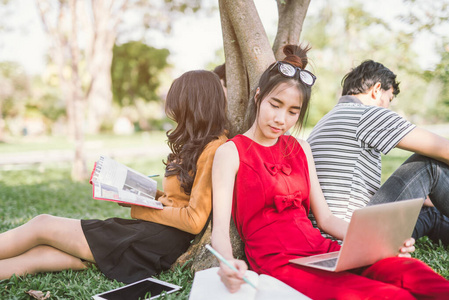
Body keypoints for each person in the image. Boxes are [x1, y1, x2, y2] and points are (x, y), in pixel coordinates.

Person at [210, 44, 449, 299]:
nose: (281, 118)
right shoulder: (231, 152)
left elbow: (326, 219)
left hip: (323, 250)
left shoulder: (301, 148)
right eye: (275, 105)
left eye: (293, 111)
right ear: (258, 97)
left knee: (412, 272)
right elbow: (220, 231)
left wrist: (380, 243)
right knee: (388, 295)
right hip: (280, 262)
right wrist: (226, 261)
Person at [0, 70, 229, 283]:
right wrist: (142, 195)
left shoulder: (215, 149)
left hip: (158, 241)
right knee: (45, 255)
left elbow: (194, 219)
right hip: (154, 235)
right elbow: (180, 199)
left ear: (193, 106)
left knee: (43, 225)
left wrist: (141, 209)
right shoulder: (200, 145)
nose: (175, 115)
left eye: (178, 108)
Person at [307, 60, 449, 245]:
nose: (388, 108)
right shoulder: (366, 114)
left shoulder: (327, 120)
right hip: (349, 234)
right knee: (429, 165)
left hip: (329, 232)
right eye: (389, 100)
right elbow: (443, 148)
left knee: (429, 212)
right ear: (376, 90)